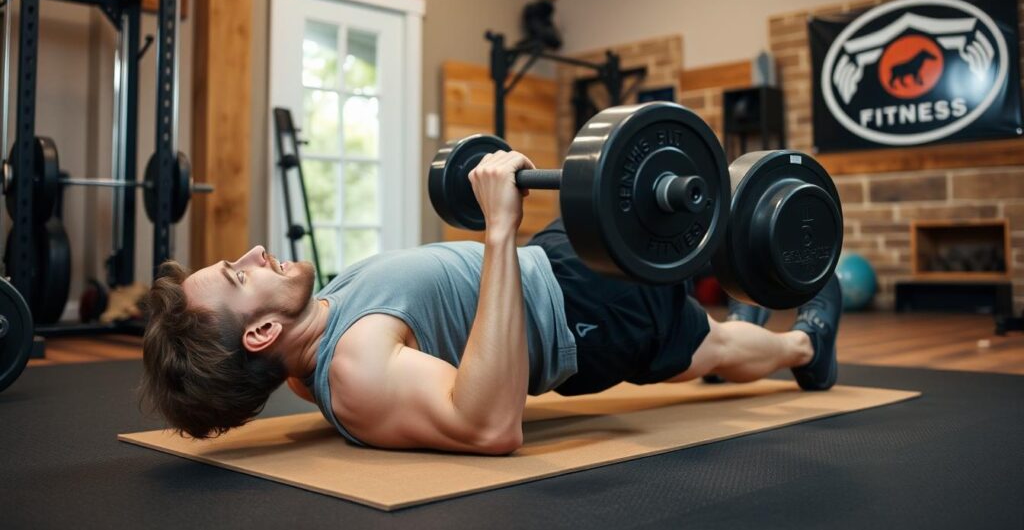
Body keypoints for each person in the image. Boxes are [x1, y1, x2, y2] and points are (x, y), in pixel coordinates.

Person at [140, 150, 842, 455]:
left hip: (549, 263)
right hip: (584, 317)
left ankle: (751, 316)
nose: (255, 252)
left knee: (661, 257)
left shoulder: (307, 338)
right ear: (262, 328)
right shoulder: (353, 371)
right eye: (238, 273)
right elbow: (490, 426)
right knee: (705, 344)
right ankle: (804, 346)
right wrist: (498, 225)